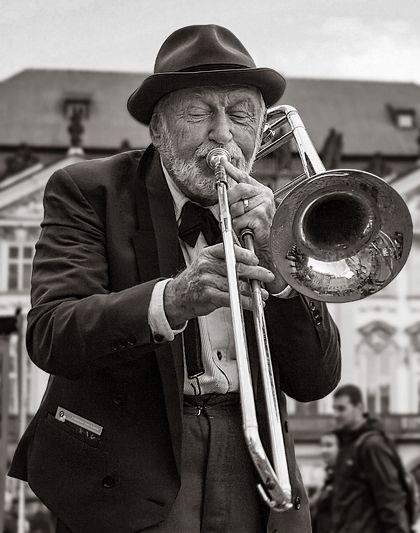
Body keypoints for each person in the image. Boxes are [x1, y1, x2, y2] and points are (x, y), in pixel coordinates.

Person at [8, 24, 341, 533]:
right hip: (127, 460)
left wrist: (283, 277)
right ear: (159, 128)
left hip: (256, 470)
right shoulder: (89, 190)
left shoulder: (273, 209)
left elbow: (315, 380)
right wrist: (173, 299)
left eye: (240, 115)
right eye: (198, 113)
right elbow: (52, 333)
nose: (223, 134)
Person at [329, 384, 410, 532]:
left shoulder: (372, 445)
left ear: (359, 407)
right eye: (334, 409)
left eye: (341, 409)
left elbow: (391, 500)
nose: (336, 415)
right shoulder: (348, 445)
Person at [310, 432, 338, 533]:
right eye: (322, 446)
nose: (324, 450)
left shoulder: (346, 477)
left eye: (329, 445)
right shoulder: (328, 476)